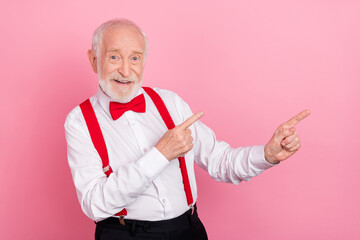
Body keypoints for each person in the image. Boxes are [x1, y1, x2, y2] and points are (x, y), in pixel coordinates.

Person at [64, 18, 310, 240]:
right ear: (94, 60)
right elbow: (94, 203)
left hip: (188, 230)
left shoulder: (170, 103)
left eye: (135, 58)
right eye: (114, 57)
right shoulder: (78, 122)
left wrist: (266, 155)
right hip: (123, 234)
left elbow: (220, 160)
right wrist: (160, 154)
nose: (126, 71)